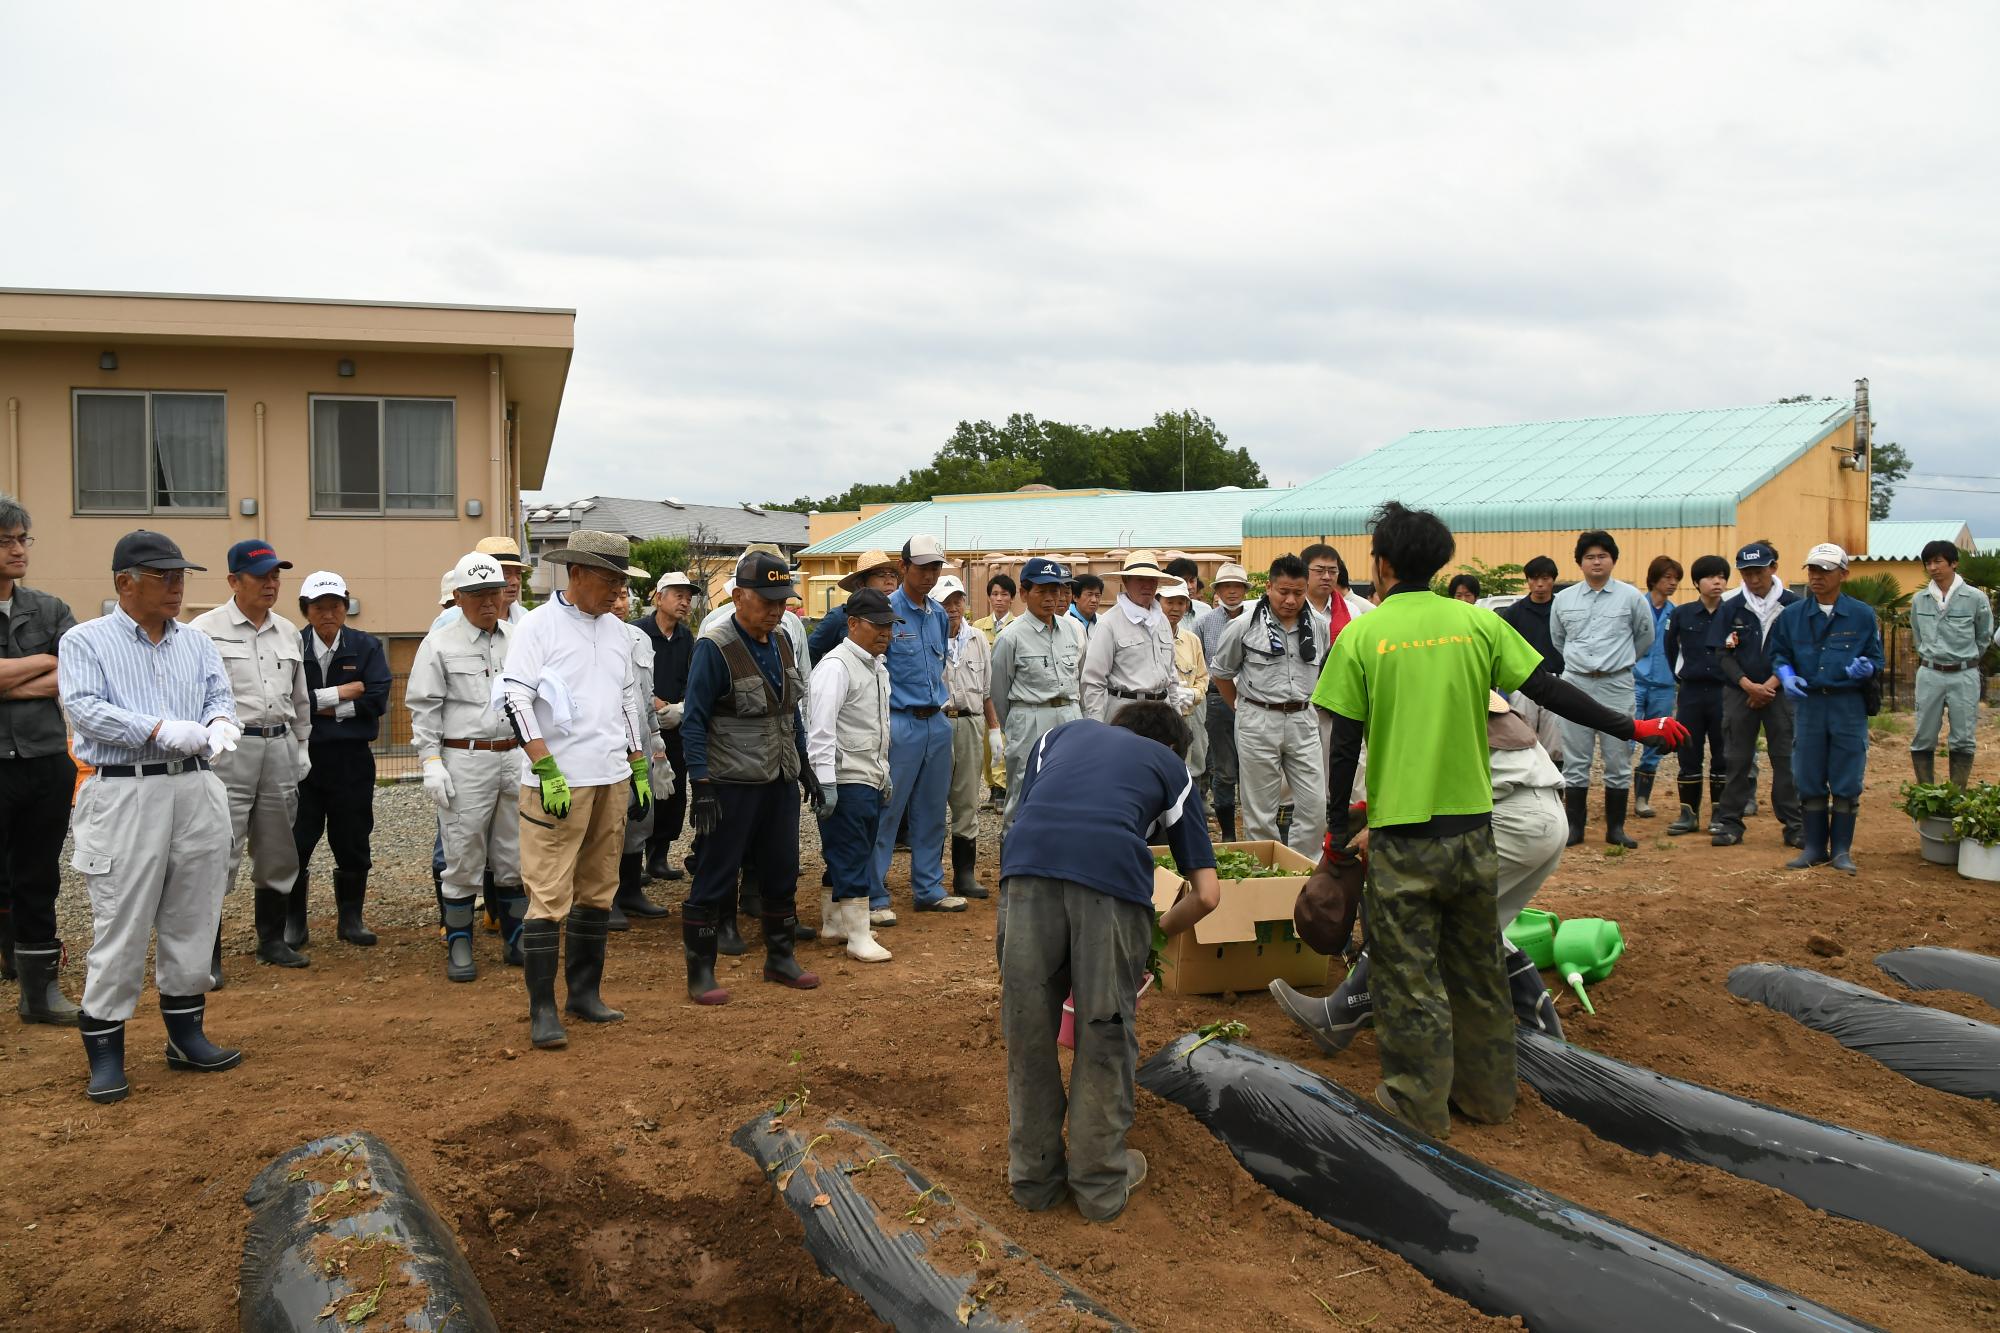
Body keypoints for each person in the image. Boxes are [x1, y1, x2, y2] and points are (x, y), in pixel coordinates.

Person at [1275, 502, 1681, 1138]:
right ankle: (1489, 1097)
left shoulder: (1361, 636)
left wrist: (1333, 833)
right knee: (1477, 970)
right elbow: (1549, 688)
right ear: (1440, 563)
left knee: (1410, 980)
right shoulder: (1476, 624)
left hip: (1406, 841)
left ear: (1380, 564)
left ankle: (1416, 1107)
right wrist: (1633, 726)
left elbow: (1343, 745)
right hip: (1473, 832)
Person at [999, 704, 1220, 1222]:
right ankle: (1099, 1185)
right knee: (1104, 1028)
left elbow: (1035, 816)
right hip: (1110, 882)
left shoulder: (1056, 738)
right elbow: (1207, 895)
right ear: (1168, 747)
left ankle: (1034, 1181)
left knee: (1028, 1029)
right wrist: (1152, 936)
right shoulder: (1171, 768)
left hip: (1023, 873)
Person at [1275, 689, 1570, 1052]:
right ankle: (1546, 1032)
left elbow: (1421, 801)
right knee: (1476, 925)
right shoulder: (1460, 694)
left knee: (1416, 909)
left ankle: (1342, 1013)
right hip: (1544, 815)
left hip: (1510, 818)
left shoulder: (1421, 708)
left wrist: (1375, 832)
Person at [60, 531, 241, 1103]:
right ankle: (106, 1050)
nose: (177, 585)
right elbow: (85, 710)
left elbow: (220, 696)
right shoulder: (85, 641)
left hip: (194, 785)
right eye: (164, 576)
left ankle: (187, 1035)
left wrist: (218, 726)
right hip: (124, 790)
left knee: (194, 911)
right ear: (124, 583)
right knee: (123, 918)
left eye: (180, 575)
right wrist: (159, 729)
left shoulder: (197, 641)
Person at [500, 532, 654, 1047]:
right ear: (578, 574)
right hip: (558, 781)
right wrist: (544, 765)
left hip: (609, 777)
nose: (616, 591)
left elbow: (627, 701)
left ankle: (584, 994)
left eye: (621, 582)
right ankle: (542, 1009)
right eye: (610, 580)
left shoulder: (617, 632)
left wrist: (636, 763)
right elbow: (515, 698)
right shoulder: (537, 627)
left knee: (598, 889)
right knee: (547, 893)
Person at [678, 550, 821, 1004]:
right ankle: (701, 971)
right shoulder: (715, 647)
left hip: (778, 780)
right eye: (767, 600)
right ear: (738, 596)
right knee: (716, 873)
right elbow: (694, 720)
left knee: (781, 869)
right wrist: (700, 784)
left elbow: (788, 710)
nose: (777, 609)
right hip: (731, 783)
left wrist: (806, 766)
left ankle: (780, 958)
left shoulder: (780, 642)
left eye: (783, 600)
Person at [190, 541, 312, 976]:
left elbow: (300, 698)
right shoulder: (203, 631)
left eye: (276, 576)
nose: (272, 584)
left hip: (278, 747)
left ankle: (272, 941)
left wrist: (302, 746)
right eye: (262, 576)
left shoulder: (288, 633)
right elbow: (193, 699)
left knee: (279, 848)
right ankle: (208, 955)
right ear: (233, 581)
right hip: (229, 750)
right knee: (218, 848)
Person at [409, 552, 529, 980]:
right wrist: (430, 761)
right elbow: (424, 708)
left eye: (494, 591)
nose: (487, 601)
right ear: (457, 596)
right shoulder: (439, 643)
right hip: (466, 758)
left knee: (514, 855)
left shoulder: (519, 637)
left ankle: (516, 939)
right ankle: (459, 943)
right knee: (462, 854)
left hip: (515, 754)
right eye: (477, 593)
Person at [0, 495, 80, 1022]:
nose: (17, 549)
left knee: (38, 876)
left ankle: (38, 994)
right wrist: (42, 663)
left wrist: (12, 679)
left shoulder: (48, 609)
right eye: (6, 540)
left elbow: (76, 674)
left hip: (46, 762)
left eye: (22, 538)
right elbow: (55, 668)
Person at [288, 571, 391, 950]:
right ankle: (293, 923)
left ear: (346, 608)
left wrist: (317, 704)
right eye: (319, 606)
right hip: (303, 759)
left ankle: (351, 919)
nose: (328, 613)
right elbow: (287, 703)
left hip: (352, 760)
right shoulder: (291, 645)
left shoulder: (366, 647)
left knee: (353, 839)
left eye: (335, 605)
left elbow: (376, 700)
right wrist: (340, 695)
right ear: (306, 610)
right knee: (297, 842)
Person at [1769, 544, 1883, 875]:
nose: (1816, 577)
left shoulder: (1861, 614)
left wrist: (1867, 669)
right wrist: (1786, 676)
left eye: (1825, 570)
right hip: (1809, 703)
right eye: (1812, 570)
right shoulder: (1792, 616)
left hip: (1847, 703)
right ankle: (1815, 847)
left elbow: (1876, 658)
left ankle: (1842, 851)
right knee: (1808, 773)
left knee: (1847, 775)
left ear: (1843, 574)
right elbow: (1780, 654)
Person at [870, 536, 966, 918]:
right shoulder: (886, 611)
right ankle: (874, 895)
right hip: (900, 722)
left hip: (936, 722)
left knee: (931, 810)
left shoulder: (939, 614)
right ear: (903, 566)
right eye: (923, 566)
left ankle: (928, 887)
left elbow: (938, 665)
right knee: (886, 811)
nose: (929, 575)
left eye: (935, 567)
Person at [1209, 554, 1329, 859]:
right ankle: (1263, 874)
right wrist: (1241, 709)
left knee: (1314, 804)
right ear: (1269, 588)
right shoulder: (1243, 625)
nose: (1290, 600)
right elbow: (1222, 673)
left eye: (1298, 593)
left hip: (1303, 718)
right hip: (1257, 719)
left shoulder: (1318, 624)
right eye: (1283, 592)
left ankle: (1303, 872)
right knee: (1260, 810)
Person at [1549, 530, 1654, 849]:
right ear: (1580, 563)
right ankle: (1576, 828)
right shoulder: (1563, 599)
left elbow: (1644, 638)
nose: (1596, 562)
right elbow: (1558, 640)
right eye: (1590, 557)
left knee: (1618, 757)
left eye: (1602, 556)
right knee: (1576, 759)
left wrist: (1618, 663)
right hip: (1576, 684)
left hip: (1617, 684)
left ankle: (1616, 830)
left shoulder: (1631, 597)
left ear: (1613, 560)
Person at [808, 587, 897, 964]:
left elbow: (880, 726)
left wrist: (885, 772)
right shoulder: (835, 666)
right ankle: (858, 935)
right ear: (853, 624)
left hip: (869, 775)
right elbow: (821, 729)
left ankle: (834, 923)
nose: (885, 633)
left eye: (889, 626)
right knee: (852, 854)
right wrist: (825, 781)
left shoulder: (875, 666)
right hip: (846, 777)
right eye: (877, 626)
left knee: (851, 851)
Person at [1708, 542, 1802, 849]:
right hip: (1740, 693)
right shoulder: (1731, 607)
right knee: (1736, 758)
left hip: (1781, 693)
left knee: (1785, 758)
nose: (1753, 578)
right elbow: (1723, 653)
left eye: (1759, 571)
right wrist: (1748, 685)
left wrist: (1770, 686)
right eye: (1746, 573)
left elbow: (1797, 651)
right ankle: (1731, 822)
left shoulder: (1792, 605)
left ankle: (1794, 824)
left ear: (1774, 568)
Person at [991, 558, 1085, 833]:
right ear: (1024, 593)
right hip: (1029, 716)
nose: (1050, 598)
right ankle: (1015, 863)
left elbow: (1079, 674)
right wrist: (1018, 725)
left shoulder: (1071, 630)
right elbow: (999, 692)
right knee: (1023, 790)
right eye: (1041, 591)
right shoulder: (1011, 637)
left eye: (1055, 591)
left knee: (1070, 787)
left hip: (1069, 714)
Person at [1908, 539, 1992, 788]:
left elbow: (1984, 635)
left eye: (1938, 562)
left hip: (1963, 674)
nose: (1933, 568)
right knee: (1923, 735)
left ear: (1953, 563)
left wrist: (1965, 657)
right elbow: (1917, 634)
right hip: (1930, 672)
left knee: (1963, 738)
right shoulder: (1920, 600)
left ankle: (1957, 796)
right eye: (1928, 563)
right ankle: (1926, 793)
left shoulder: (1975, 598)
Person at [612, 578, 672, 929]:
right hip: (608, 744)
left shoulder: (639, 638)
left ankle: (631, 891)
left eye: (624, 596)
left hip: (642, 742)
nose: (619, 603)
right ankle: (603, 899)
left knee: (640, 818)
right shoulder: (592, 639)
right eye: (615, 595)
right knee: (608, 824)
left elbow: (646, 695)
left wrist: (657, 740)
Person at [937, 576, 997, 901]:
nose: (953, 607)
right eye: (946, 601)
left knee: (967, 800)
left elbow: (986, 692)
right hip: (937, 723)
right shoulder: (927, 637)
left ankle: (964, 874)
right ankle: (931, 876)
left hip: (971, 723)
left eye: (957, 599)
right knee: (932, 800)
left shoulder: (978, 640)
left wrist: (995, 730)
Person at [1662, 556, 1732, 836]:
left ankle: (1720, 813)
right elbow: (1670, 649)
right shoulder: (1682, 614)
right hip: (1691, 692)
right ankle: (1688, 814)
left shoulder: (1734, 613)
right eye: (1710, 577)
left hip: (1723, 692)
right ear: (1696, 583)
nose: (1717, 582)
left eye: (1722, 577)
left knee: (1723, 752)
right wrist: (1681, 676)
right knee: (1688, 750)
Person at [636, 571, 696, 883]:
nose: (685, 602)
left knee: (673, 793)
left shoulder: (687, 638)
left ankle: (658, 857)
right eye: (678, 595)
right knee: (642, 790)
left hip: (676, 726)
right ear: (659, 597)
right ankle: (636, 858)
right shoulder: (637, 632)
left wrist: (682, 706)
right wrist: (656, 702)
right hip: (642, 724)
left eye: (688, 597)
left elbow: (693, 677)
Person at [1081, 550, 1177, 724]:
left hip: (1163, 711)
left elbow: (1172, 674)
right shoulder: (1109, 622)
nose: (1147, 585)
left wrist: (1177, 716)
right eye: (1140, 579)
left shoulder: (1162, 620)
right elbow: (1093, 680)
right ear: (1126, 581)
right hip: (1126, 712)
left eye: (1152, 580)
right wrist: (1096, 725)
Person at [1192, 562, 1252, 837]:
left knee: (1254, 766)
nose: (1232, 592)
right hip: (1216, 700)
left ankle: (1256, 829)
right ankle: (1228, 833)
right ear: (1217, 591)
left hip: (1253, 700)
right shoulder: (1204, 622)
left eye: (1237, 586)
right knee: (1224, 767)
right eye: (1226, 586)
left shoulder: (1258, 618)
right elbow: (1198, 663)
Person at [1630, 556, 1682, 818]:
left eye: (1676, 579)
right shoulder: (1637, 605)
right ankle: (1613, 790)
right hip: (1634, 680)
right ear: (1654, 579)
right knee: (1625, 736)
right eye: (1667, 578)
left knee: (1656, 740)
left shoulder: (1676, 613)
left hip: (1663, 683)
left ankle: (1642, 798)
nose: (1672, 583)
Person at [809, 549, 900, 662]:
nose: (889, 581)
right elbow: (810, 651)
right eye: (881, 575)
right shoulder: (839, 617)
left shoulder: (898, 616)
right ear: (861, 584)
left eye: (893, 575)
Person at [1160, 579, 1209, 782]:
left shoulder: (1191, 640)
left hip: (1188, 718)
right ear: (1158, 602)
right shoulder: (1148, 636)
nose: (1175, 608)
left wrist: (1193, 694)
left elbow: (1202, 677)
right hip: (1159, 720)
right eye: (1169, 602)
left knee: (1190, 771)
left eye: (1181, 603)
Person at [1498, 556, 1565, 676]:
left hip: (1561, 677)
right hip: (1525, 680)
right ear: (1527, 580)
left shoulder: (1564, 610)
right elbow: (1505, 648)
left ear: (1553, 580)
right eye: (1534, 579)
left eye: (1545, 578)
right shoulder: (1513, 612)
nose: (1540, 584)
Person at [1301, 543, 1344, 619]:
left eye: (1333, 571)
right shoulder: (1291, 608)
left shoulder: (1351, 611)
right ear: (1304, 571)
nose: (1326, 577)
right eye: (1319, 570)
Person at [973, 572, 1018, 642]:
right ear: (988, 598)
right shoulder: (978, 626)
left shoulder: (1019, 626)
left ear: (1012, 598)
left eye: (1004, 594)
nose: (999, 598)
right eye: (995, 594)